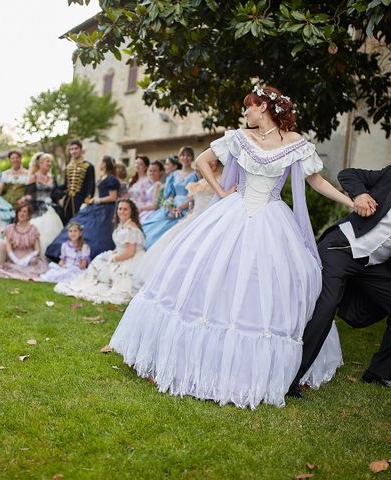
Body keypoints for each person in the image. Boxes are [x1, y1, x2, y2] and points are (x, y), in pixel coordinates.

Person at [109, 84, 354, 409]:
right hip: (233, 212)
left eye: (250, 106)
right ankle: (190, 359)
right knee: (211, 276)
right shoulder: (239, 138)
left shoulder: (295, 143)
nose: (246, 112)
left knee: (263, 285)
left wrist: (350, 201)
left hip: (271, 219)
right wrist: (221, 193)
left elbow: (317, 181)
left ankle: (253, 371)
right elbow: (202, 161)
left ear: (264, 107)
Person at [288, 142, 391, 398]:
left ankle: (379, 373)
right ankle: (292, 379)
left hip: (372, 265)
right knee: (327, 304)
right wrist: (359, 194)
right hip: (342, 248)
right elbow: (349, 174)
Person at [133, 157, 222, 290]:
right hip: (193, 218)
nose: (211, 164)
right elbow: (192, 203)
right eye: (209, 162)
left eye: (214, 161)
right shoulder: (199, 183)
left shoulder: (222, 180)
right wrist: (181, 210)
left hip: (210, 219)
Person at [55, 199, 145, 305]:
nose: (122, 212)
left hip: (130, 259)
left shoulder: (131, 229)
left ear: (131, 211)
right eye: (120, 209)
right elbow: (122, 246)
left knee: (111, 273)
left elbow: (130, 252)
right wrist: (114, 253)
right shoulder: (123, 224)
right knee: (99, 262)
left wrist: (115, 258)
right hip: (121, 254)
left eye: (125, 209)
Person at [46, 156, 120, 262]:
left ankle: (89, 256)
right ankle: (64, 252)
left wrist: (97, 200)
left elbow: (113, 197)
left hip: (107, 210)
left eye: (101, 162)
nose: (100, 164)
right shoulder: (103, 177)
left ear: (105, 164)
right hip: (97, 206)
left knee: (98, 233)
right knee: (79, 224)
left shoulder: (111, 179)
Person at [141, 146, 199, 249]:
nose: (185, 157)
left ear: (192, 158)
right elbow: (171, 194)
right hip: (172, 206)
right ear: (179, 157)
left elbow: (194, 195)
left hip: (187, 206)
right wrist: (170, 206)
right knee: (151, 225)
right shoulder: (174, 175)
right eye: (183, 155)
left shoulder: (196, 174)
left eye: (188, 155)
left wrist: (180, 208)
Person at [23, 153, 63, 255]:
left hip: (51, 208)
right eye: (47, 161)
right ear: (40, 164)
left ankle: (52, 254)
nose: (49, 163)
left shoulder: (52, 178)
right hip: (37, 209)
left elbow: (56, 194)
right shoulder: (34, 177)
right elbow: (28, 195)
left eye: (50, 161)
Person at [0, 202, 48, 281]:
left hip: (29, 258)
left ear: (28, 215)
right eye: (20, 211)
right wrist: (15, 260)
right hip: (15, 256)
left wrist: (27, 259)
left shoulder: (33, 229)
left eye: (24, 211)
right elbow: (8, 248)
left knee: (34, 261)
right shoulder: (10, 228)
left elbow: (38, 249)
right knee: (13, 266)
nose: (21, 213)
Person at [59, 139, 95, 223]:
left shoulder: (88, 166)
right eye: (71, 149)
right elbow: (65, 184)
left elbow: (91, 184)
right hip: (68, 200)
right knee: (66, 222)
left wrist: (88, 198)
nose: (74, 151)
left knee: (79, 223)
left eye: (76, 148)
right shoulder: (68, 167)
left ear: (81, 150)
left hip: (80, 200)